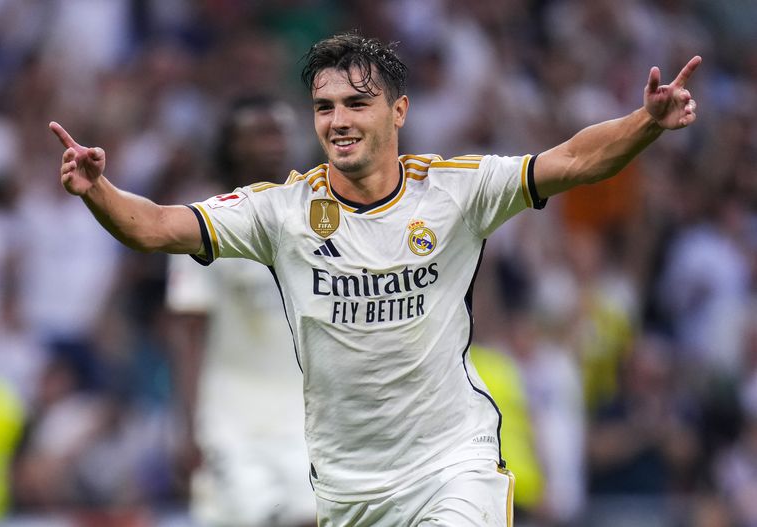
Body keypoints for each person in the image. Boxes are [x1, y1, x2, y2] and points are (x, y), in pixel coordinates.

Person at [49, 32, 700, 527]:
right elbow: (157, 227)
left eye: (358, 103)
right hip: (346, 486)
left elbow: (573, 161)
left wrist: (645, 123)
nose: (338, 120)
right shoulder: (281, 211)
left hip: (452, 462)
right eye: (324, 106)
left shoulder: (456, 189)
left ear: (398, 111)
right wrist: (97, 190)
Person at [165, 96, 316, 527]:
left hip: (304, 416)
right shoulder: (200, 224)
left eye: (281, 131)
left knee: (313, 517)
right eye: (261, 132)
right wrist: (187, 424)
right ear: (232, 144)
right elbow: (188, 332)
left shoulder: (317, 216)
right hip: (230, 421)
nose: (275, 142)